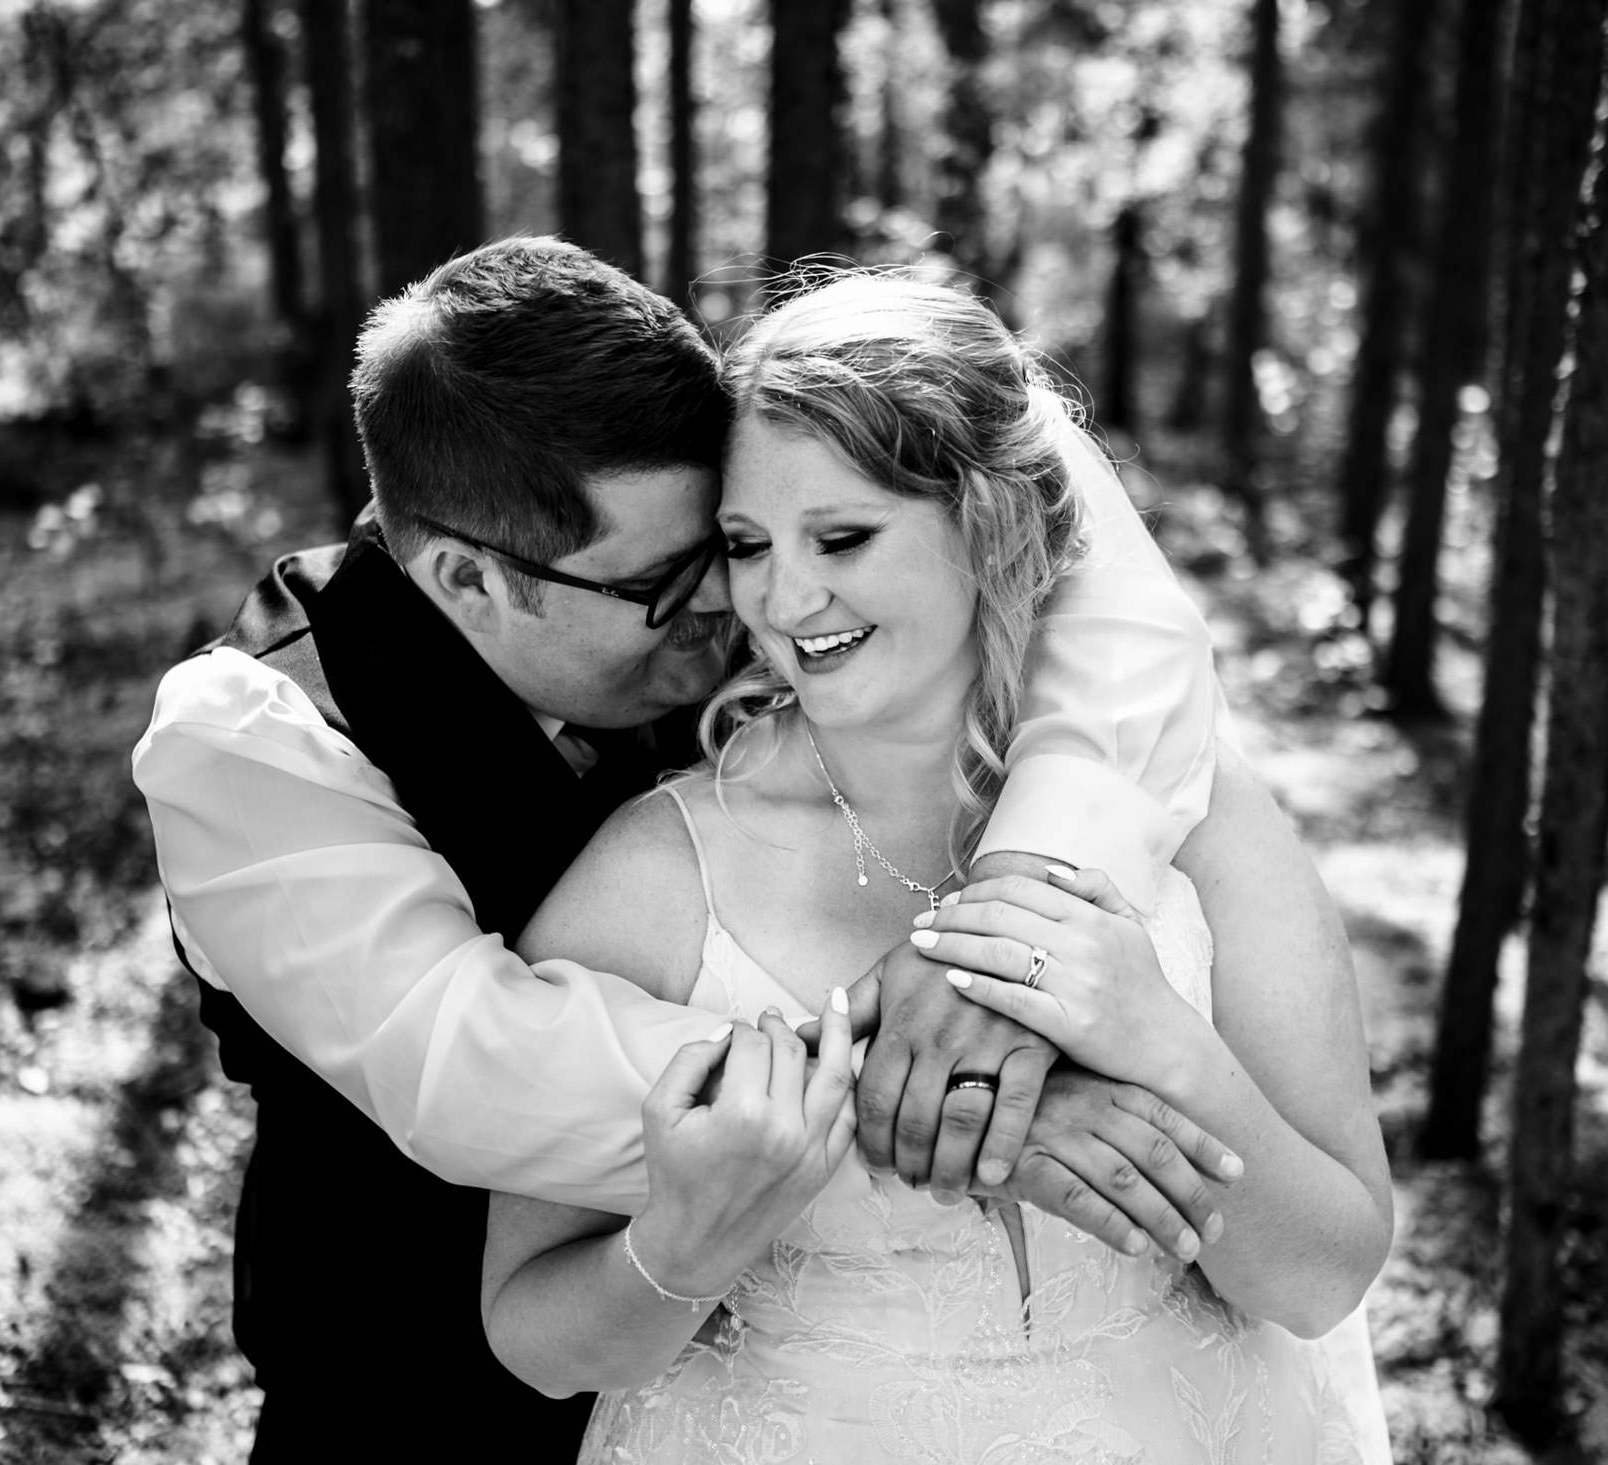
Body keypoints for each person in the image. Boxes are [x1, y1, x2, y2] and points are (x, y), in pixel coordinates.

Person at [131, 237, 1239, 1459]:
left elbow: (1115, 616)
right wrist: (946, 1086)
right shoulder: (254, 736)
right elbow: (466, 1063)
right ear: (466, 577)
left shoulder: (778, 598)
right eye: (665, 579)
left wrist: (1018, 888)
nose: (738, 605)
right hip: (408, 1399)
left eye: (728, 540)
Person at [480, 272, 1395, 1462]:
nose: (782, 597)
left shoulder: (1198, 820)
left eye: (842, 537)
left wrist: (1152, 1035)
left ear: (988, 523)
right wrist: (692, 1240)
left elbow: (1325, 1279)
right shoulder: (653, 878)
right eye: (747, 546)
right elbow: (532, 1335)